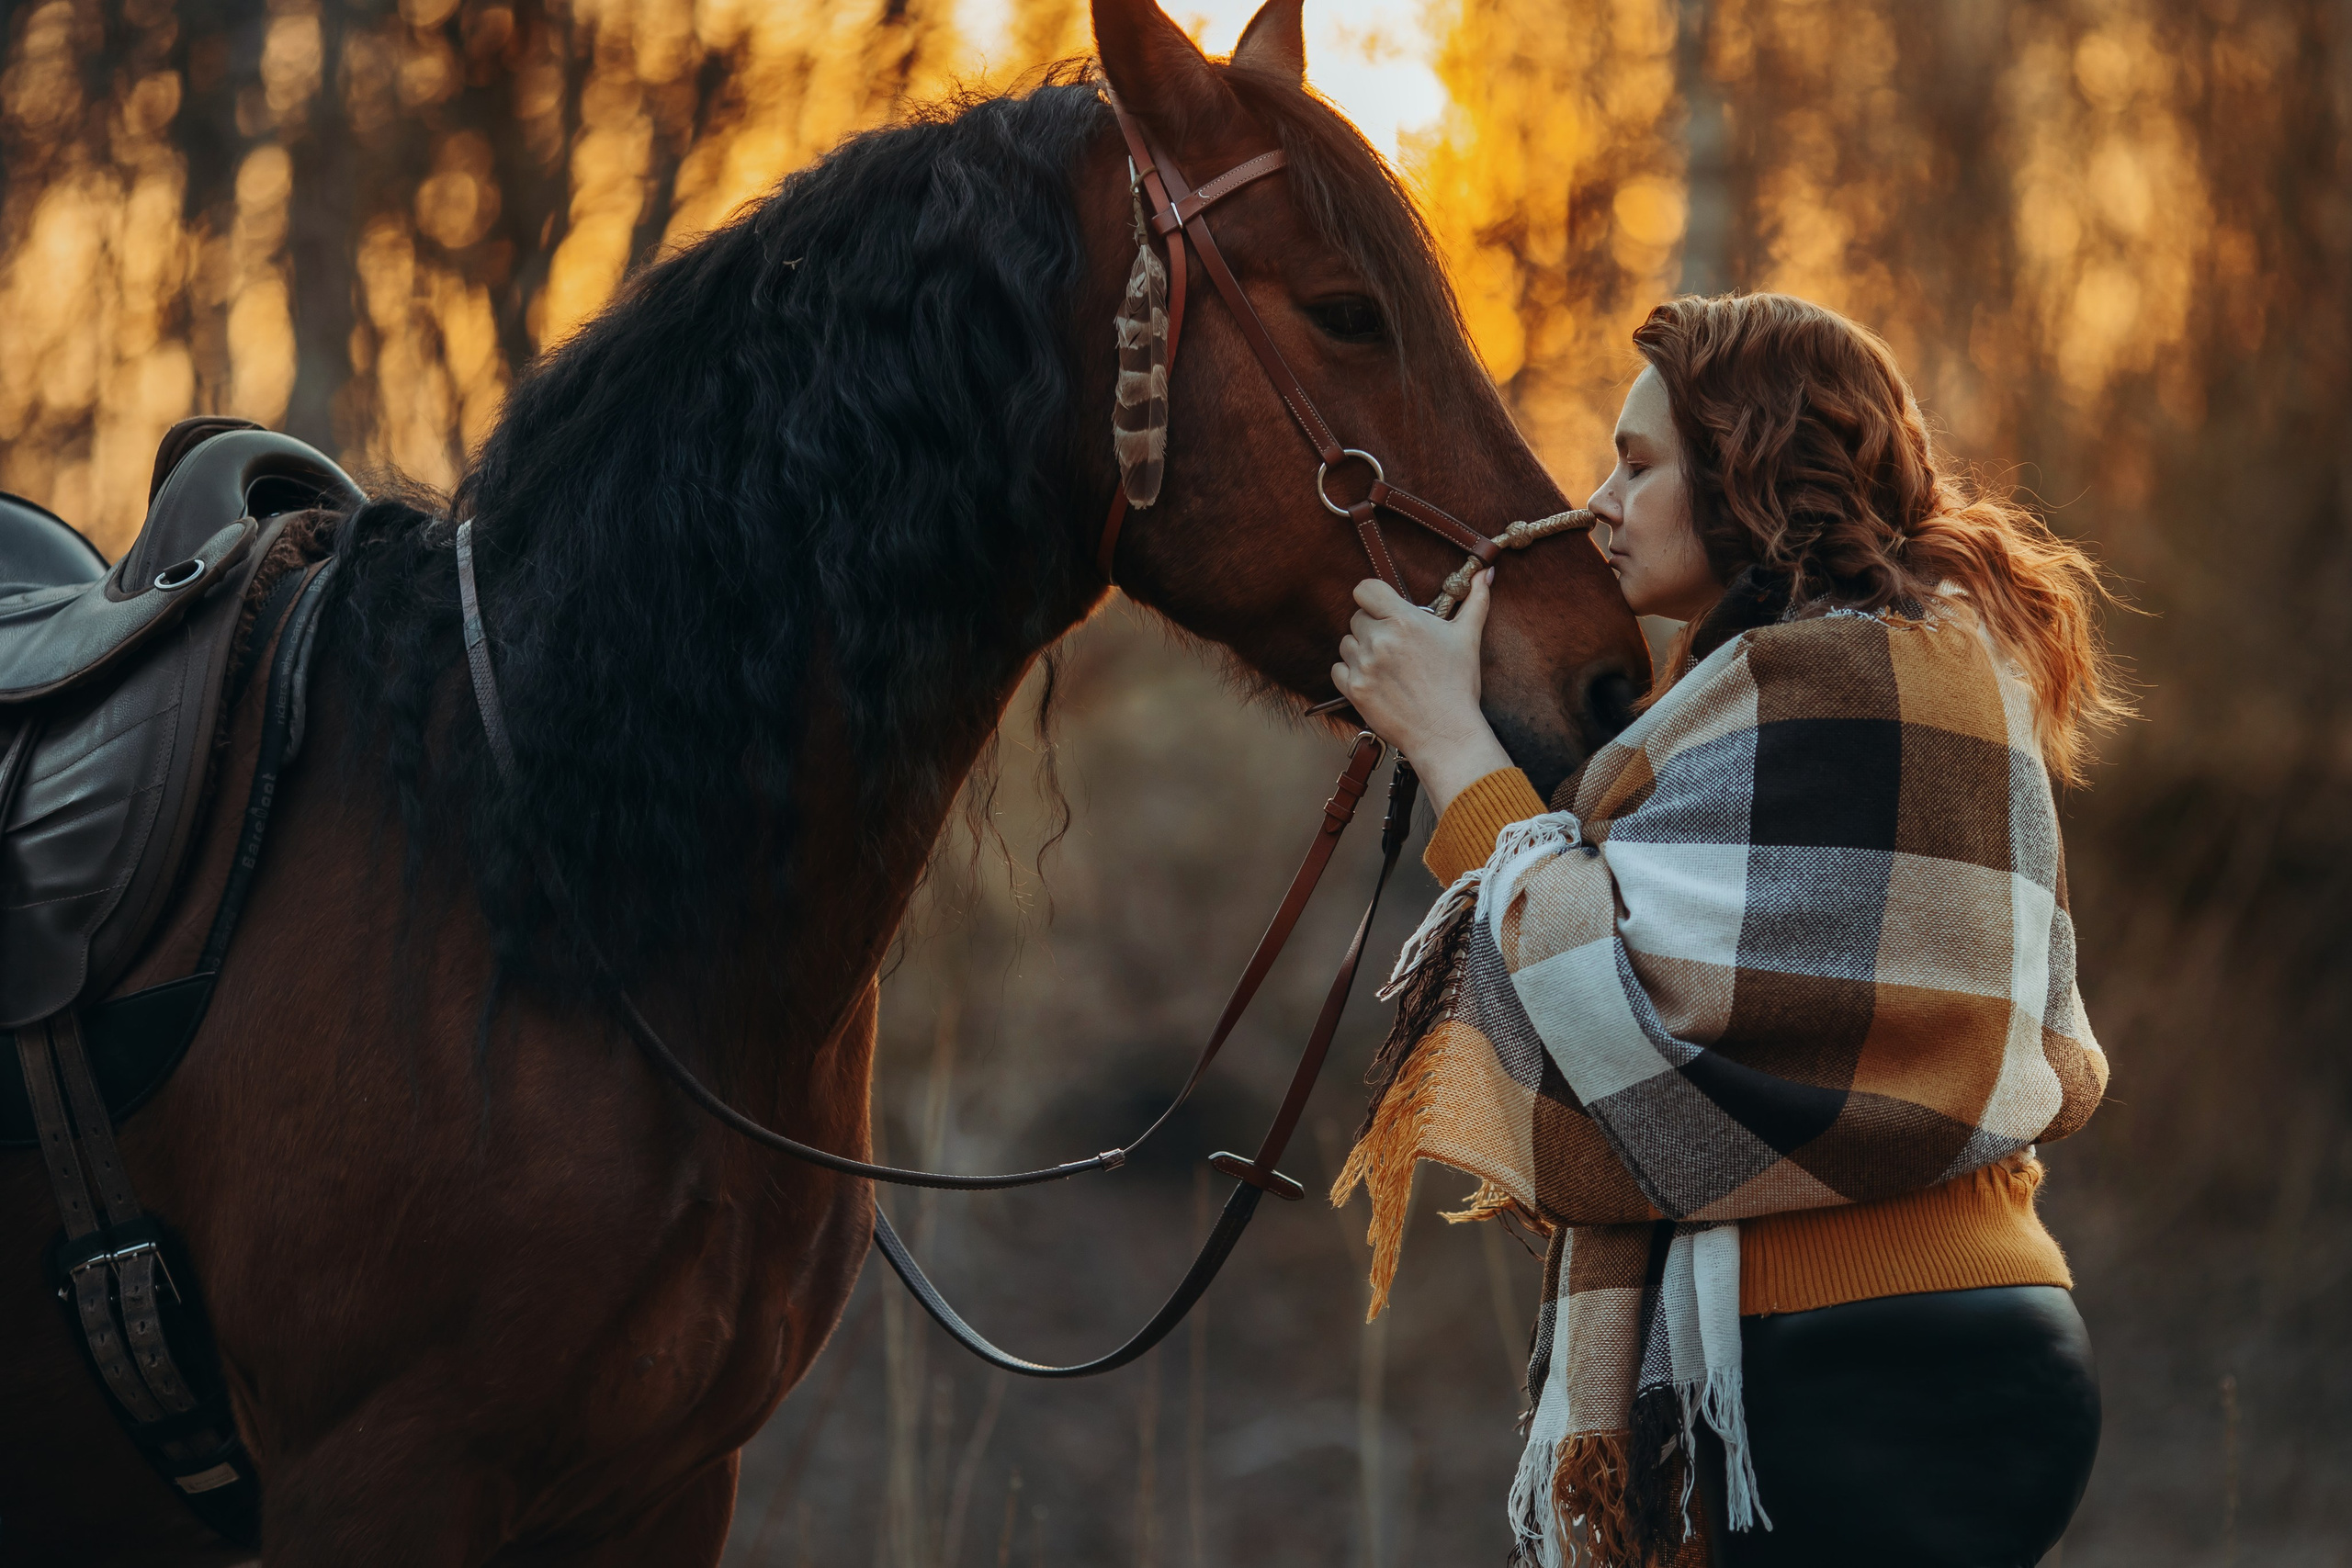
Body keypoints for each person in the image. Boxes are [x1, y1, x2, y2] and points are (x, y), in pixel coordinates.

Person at [1329, 293, 2123, 1567]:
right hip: (2000, 1332)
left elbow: (1609, 1012)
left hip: (1834, 1368)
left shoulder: (1825, 696)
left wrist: (1447, 744)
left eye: (1639, 465)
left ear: (1749, 470)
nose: (1599, 501)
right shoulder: (1956, 676)